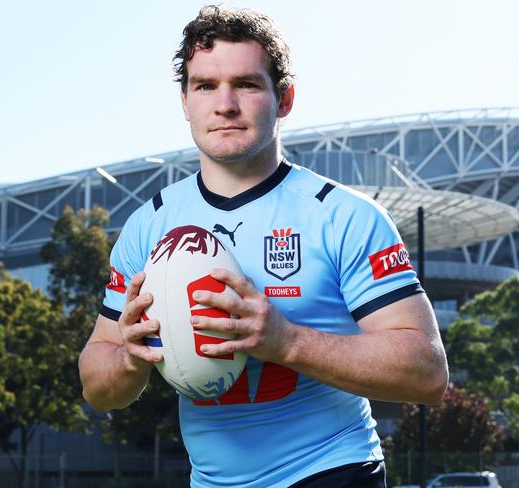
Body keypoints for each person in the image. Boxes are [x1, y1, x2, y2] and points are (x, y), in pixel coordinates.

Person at [79, 5, 448, 487]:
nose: (224, 104)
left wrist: (286, 340)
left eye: (247, 84)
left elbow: (427, 373)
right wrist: (128, 356)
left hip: (330, 471)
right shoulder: (149, 227)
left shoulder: (343, 217)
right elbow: (98, 387)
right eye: (205, 86)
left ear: (285, 98)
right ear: (185, 101)